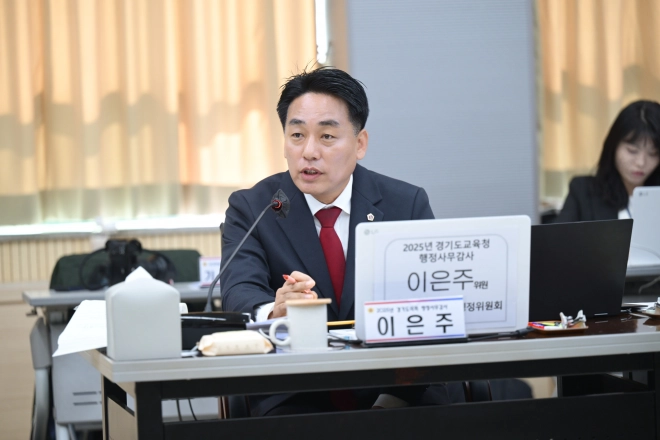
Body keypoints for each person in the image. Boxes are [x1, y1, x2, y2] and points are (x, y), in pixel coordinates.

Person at [220, 67, 449, 416]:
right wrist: (274, 312)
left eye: (327, 136)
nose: (309, 152)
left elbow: (432, 299)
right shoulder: (253, 207)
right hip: (294, 390)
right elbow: (239, 291)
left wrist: (389, 403)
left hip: (397, 385)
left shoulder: (405, 204)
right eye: (297, 135)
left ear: (360, 144)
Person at [554, 100, 660, 223]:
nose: (641, 162)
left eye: (653, 153)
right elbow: (558, 234)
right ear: (613, 146)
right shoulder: (583, 192)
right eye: (632, 151)